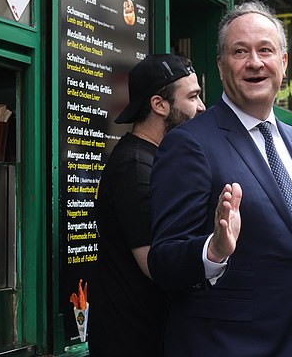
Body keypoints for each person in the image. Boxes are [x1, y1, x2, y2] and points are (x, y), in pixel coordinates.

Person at [148, 0, 292, 357]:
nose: (255, 62)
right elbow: (162, 261)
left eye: (265, 50)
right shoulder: (189, 144)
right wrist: (214, 251)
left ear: (283, 63)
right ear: (221, 66)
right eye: (240, 51)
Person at [88, 54, 206, 357]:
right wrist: (215, 250)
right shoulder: (135, 167)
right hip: (134, 340)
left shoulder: (156, 159)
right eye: (192, 97)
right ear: (159, 104)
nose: (202, 107)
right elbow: (155, 265)